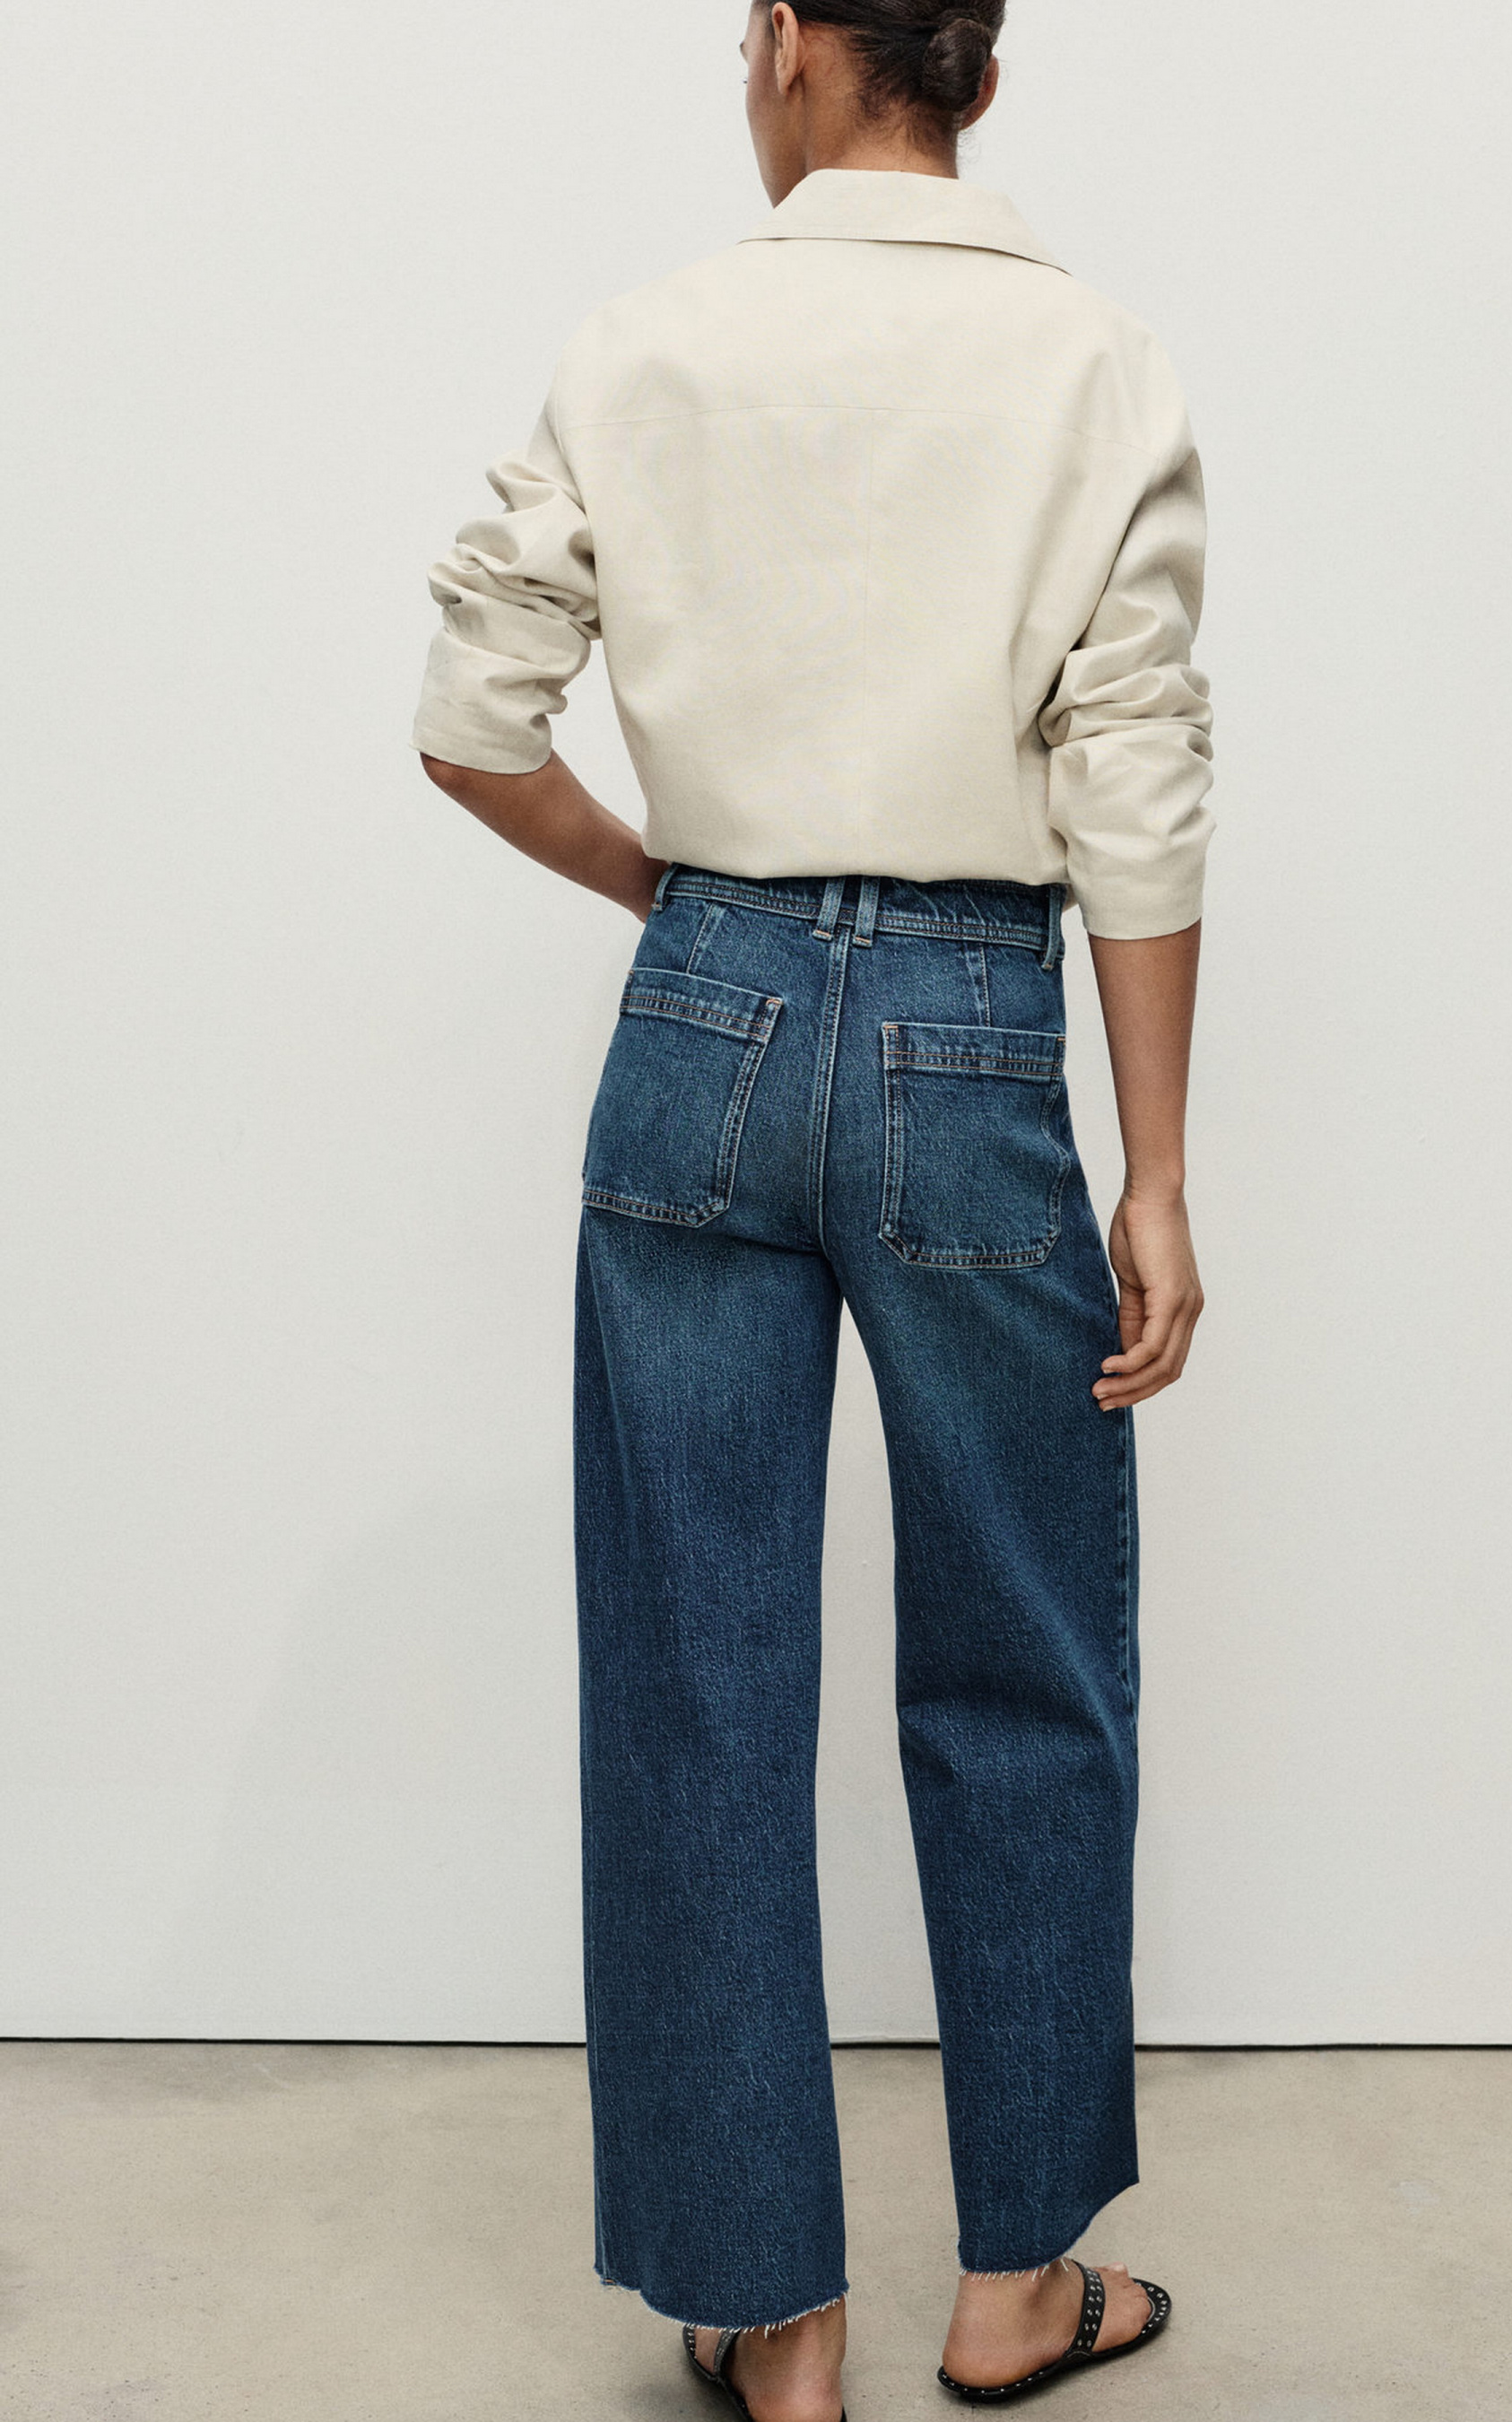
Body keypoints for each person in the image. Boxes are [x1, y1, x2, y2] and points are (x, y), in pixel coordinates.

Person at [413, 4, 1212, 2413]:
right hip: (977, 1031)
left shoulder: (647, 343)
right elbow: (1137, 769)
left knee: (695, 1670)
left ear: (784, 42)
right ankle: (1020, 2280)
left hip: (706, 1017)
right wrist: (1158, 1165)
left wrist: (680, 906)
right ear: (979, 69)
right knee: (1024, 1661)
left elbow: (469, 716)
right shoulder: (1093, 365)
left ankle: (774, 2322)